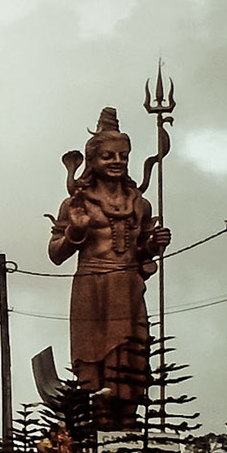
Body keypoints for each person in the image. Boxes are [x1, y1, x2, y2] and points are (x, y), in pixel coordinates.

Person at [47, 108, 168, 429]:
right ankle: (98, 434)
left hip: (128, 289)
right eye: (108, 156)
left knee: (130, 363)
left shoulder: (140, 204)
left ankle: (127, 431)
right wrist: (75, 231)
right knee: (93, 368)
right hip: (91, 287)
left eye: (123, 156)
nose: (116, 162)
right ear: (92, 161)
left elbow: (143, 251)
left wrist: (154, 244)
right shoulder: (77, 203)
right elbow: (55, 254)